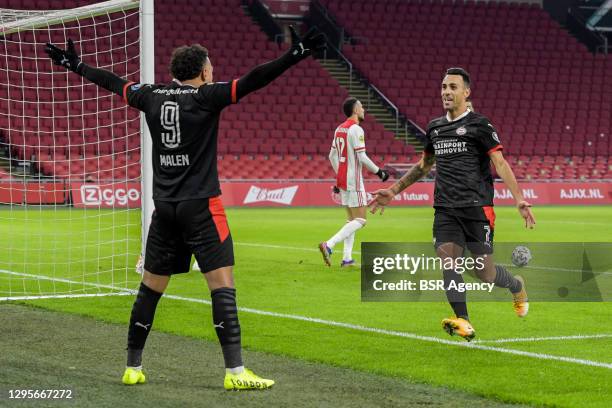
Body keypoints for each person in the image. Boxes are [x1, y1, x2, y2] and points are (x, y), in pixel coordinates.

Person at [44, 26, 325, 389]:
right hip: (202, 206)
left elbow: (113, 83)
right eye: (211, 66)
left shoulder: (150, 95)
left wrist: (77, 65)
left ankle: (133, 367)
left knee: (150, 288)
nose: (214, 71)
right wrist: (296, 54)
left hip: (166, 209)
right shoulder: (207, 96)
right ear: (203, 71)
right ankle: (236, 373)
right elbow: (256, 79)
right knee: (222, 286)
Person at [369, 68, 534, 341]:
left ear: (466, 92)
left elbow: (500, 163)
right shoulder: (435, 127)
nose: (446, 91)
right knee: (449, 262)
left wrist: (519, 199)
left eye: (453, 87)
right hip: (445, 209)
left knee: (484, 272)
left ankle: (516, 284)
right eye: (444, 86)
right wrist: (395, 189)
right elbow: (424, 165)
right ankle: (464, 321)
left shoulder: (480, 125)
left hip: (477, 208)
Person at [319, 98, 389, 267]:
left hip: (343, 180)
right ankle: (329, 244)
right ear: (356, 110)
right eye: (362, 106)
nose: (364, 109)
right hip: (354, 181)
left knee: (351, 221)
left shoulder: (339, 129)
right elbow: (362, 157)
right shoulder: (356, 129)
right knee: (361, 220)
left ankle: (347, 259)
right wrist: (379, 172)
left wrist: (339, 175)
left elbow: (331, 156)